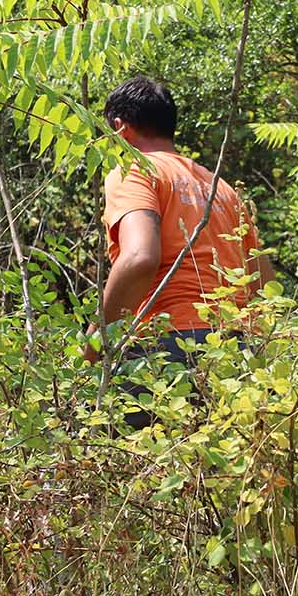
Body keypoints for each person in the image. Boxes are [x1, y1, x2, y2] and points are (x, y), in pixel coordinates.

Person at [86, 77, 272, 415]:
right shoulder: (221, 187)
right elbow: (263, 281)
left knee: (130, 457)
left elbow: (140, 257)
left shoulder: (135, 170)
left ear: (118, 128)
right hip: (238, 350)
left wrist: (95, 339)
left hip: (167, 347)